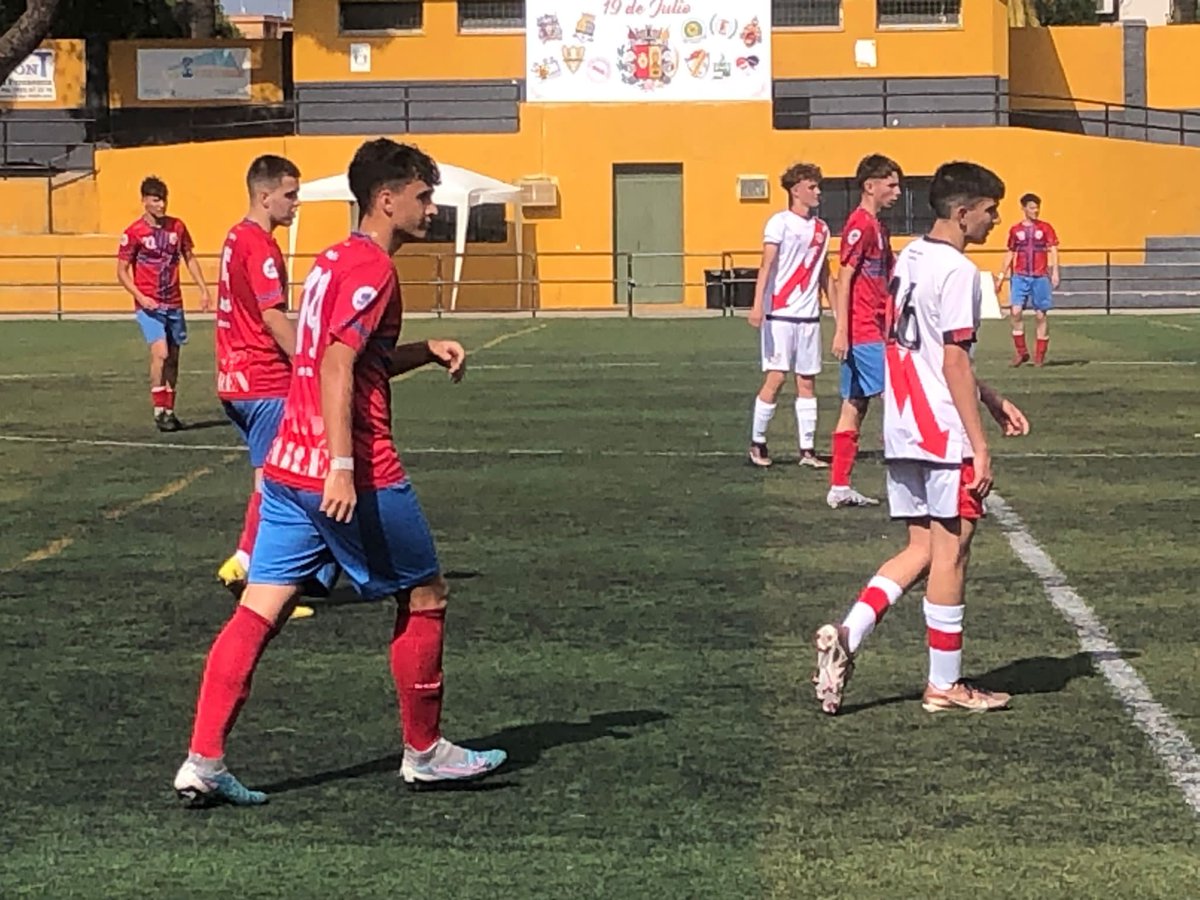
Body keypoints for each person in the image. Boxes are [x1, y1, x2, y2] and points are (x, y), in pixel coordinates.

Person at [173, 138, 507, 806]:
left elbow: (343, 352)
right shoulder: (373, 268)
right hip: (351, 468)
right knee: (426, 594)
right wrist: (344, 468)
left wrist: (422, 350)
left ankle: (203, 761)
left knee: (259, 610)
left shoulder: (333, 258)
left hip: (287, 465)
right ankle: (425, 752)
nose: (431, 209)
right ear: (387, 199)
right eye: (422, 197)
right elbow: (334, 364)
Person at [812, 161, 1030, 716]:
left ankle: (848, 633)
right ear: (963, 212)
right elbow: (953, 359)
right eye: (990, 211)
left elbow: (927, 347)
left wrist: (991, 396)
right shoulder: (958, 271)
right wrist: (980, 444)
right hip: (941, 430)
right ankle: (944, 685)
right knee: (952, 553)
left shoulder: (909, 256)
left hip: (902, 424)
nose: (994, 220)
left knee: (922, 549)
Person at [213, 154, 313, 621]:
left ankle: (263, 567)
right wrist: (306, 364)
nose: (296, 203)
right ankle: (252, 572)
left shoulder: (234, 237)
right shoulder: (260, 246)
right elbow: (272, 316)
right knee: (277, 485)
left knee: (272, 478)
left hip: (233, 379)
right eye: (290, 194)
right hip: (264, 380)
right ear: (264, 194)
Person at [827, 154, 903, 509]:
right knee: (898, 401)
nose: (897, 192)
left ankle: (839, 486)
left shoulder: (878, 227)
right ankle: (913, 483)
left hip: (872, 327)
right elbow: (844, 279)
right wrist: (842, 330)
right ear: (870, 186)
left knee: (854, 405)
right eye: (891, 185)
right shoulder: (860, 225)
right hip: (864, 331)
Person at [746, 162, 832, 469]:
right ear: (796, 190)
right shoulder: (779, 223)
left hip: (809, 317)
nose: (818, 192)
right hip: (780, 314)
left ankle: (807, 450)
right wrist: (758, 305)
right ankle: (758, 442)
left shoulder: (822, 229)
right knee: (777, 377)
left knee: (807, 382)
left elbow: (825, 274)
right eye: (812, 187)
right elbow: (766, 266)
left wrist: (837, 313)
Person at [117, 176, 212, 431]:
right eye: (156, 200)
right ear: (144, 201)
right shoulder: (134, 232)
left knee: (174, 358)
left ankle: (169, 410)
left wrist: (203, 289)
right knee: (161, 353)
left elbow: (189, 257)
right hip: (150, 306)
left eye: (163, 200)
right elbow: (122, 271)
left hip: (174, 303)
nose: (161, 205)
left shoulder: (177, 227)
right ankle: (158, 410)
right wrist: (140, 296)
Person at [996, 192, 1059, 367]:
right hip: (1020, 276)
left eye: (1037, 207)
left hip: (1040, 276)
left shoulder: (1045, 228)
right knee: (1015, 311)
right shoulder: (1015, 230)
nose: (1035, 211)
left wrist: (1055, 271)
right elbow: (1010, 252)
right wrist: (1001, 276)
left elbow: (1053, 249)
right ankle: (1021, 352)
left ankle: (1039, 356)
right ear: (1023, 208)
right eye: (1031, 207)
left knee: (1040, 315)